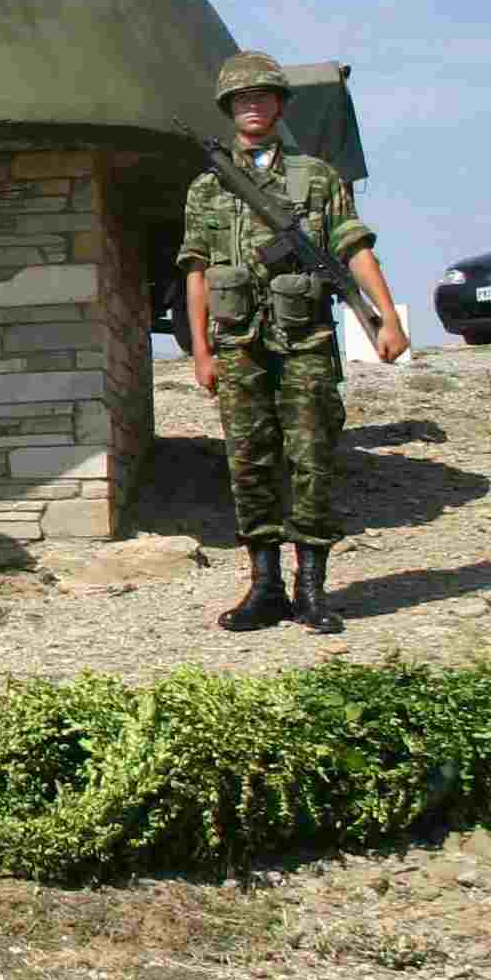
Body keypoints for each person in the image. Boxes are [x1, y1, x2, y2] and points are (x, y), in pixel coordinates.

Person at [179, 52, 408, 635]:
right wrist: (202, 352)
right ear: (229, 109)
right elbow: (196, 271)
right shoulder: (207, 186)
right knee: (249, 463)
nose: (252, 106)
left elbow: (354, 247)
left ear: (280, 105)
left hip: (305, 339)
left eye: (262, 96)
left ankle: (311, 589)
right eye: (241, 99)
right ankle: (265, 587)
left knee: (312, 459)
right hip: (239, 344)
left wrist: (386, 317)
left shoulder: (317, 176)